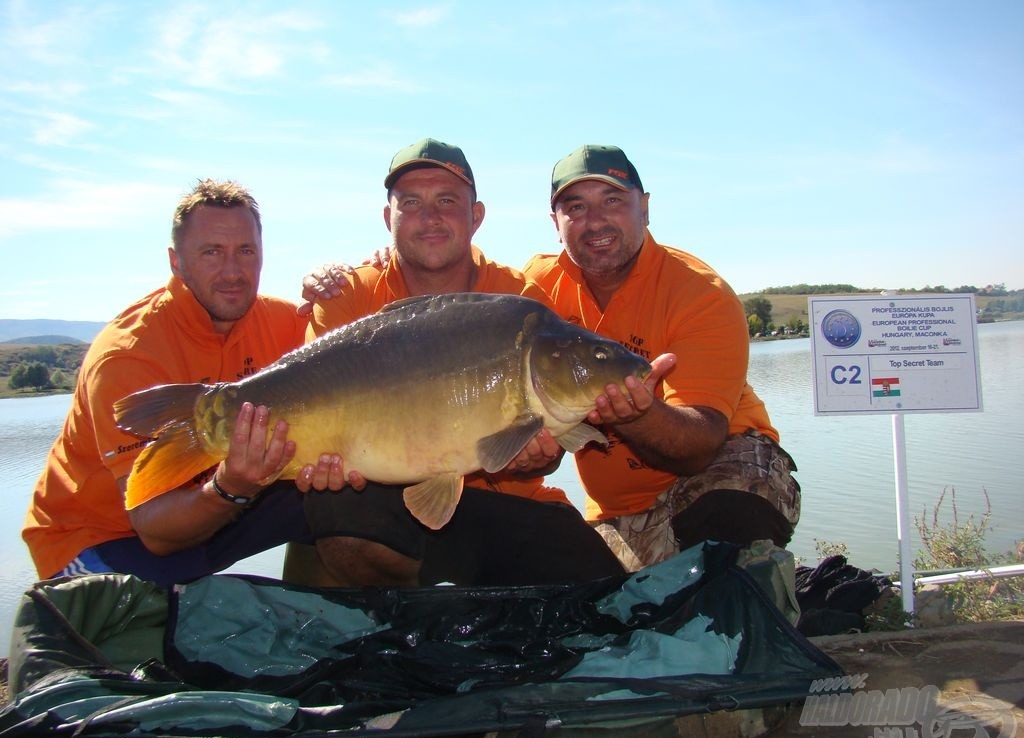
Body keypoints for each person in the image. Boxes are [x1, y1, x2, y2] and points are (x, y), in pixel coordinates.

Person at [290, 138, 625, 588]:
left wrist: (536, 459)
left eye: (447, 201)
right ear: (389, 219)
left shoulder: (519, 302)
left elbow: (545, 453)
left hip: (498, 508)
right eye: (412, 203)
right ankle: (402, 614)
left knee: (595, 582)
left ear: (476, 215)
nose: (430, 217)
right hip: (379, 508)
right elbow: (303, 398)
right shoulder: (347, 295)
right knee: (336, 505)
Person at [22, 179, 339, 586]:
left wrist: (357, 270)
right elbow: (153, 531)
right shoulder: (127, 356)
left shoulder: (282, 322)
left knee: (349, 505)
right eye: (211, 252)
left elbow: (378, 348)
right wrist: (233, 485)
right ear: (176, 261)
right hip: (104, 539)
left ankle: (334, 619)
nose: (232, 271)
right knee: (163, 640)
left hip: (216, 506)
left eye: (246, 251)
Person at [520, 144, 801, 571]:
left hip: (722, 472)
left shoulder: (699, 292)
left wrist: (637, 415)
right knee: (595, 597)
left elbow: (700, 445)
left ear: (644, 208)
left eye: (613, 200)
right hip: (619, 510)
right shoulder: (536, 289)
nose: (595, 221)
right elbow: (463, 300)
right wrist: (389, 259)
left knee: (733, 510)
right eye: (575, 207)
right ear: (556, 224)